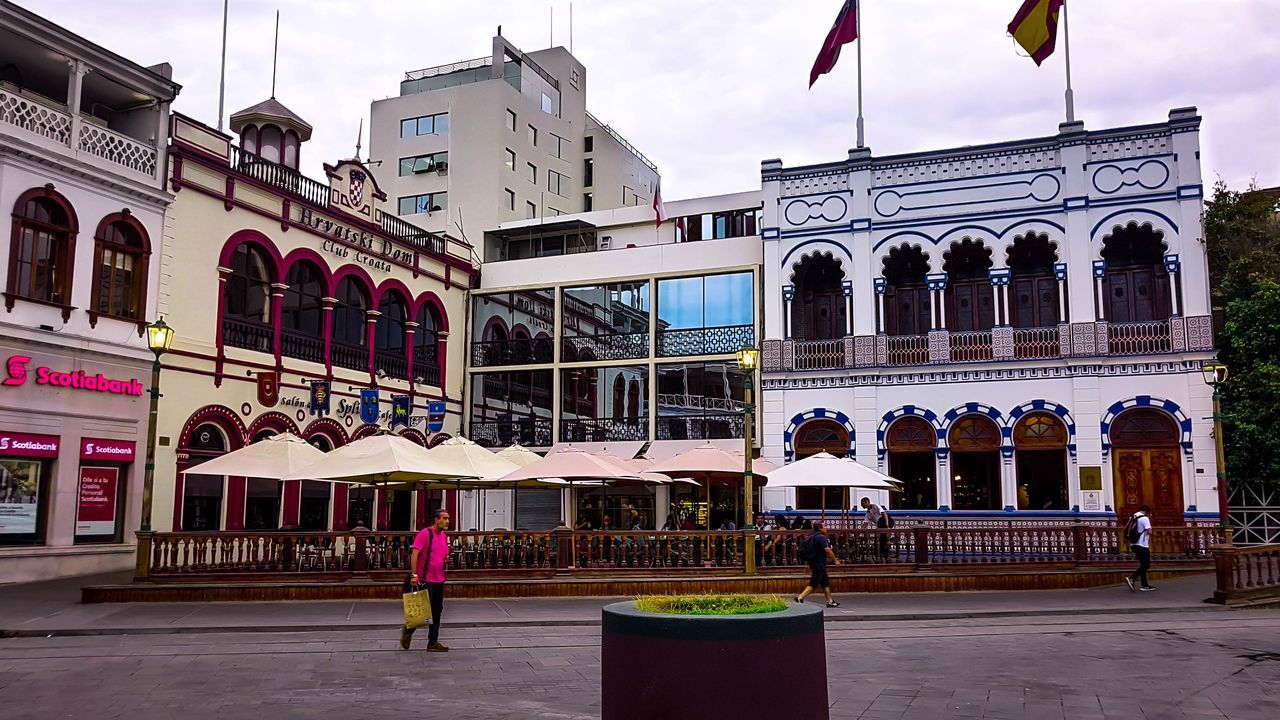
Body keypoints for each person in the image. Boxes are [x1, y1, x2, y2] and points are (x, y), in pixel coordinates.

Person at [401, 508, 450, 652]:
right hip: (425, 579)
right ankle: (408, 631)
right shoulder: (425, 534)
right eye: (444, 518)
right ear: (436, 519)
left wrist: (446, 560)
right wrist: (414, 575)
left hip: (439, 579)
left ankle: (432, 642)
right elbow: (415, 554)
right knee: (422, 612)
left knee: (437, 611)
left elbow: (441, 554)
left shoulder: (443, 536)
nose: (447, 521)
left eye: (448, 518)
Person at [795, 521, 839, 608]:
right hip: (819, 564)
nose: (826, 528)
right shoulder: (821, 537)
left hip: (816, 563)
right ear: (820, 528)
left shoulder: (811, 537)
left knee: (825, 583)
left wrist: (807, 563)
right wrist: (835, 560)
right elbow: (827, 549)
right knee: (813, 583)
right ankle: (800, 597)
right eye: (824, 526)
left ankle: (830, 601)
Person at [1126, 505, 1156, 592]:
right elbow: (1149, 531)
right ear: (1147, 512)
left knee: (1143, 565)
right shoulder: (1144, 518)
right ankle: (1132, 578)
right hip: (1142, 545)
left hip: (1134, 544)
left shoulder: (1134, 516)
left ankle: (1144, 585)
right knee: (1146, 565)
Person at [860, 496, 891, 561]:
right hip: (879, 526)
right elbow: (865, 523)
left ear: (867, 502)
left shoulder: (876, 506)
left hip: (884, 523)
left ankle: (885, 555)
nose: (862, 505)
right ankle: (881, 554)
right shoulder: (868, 513)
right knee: (879, 540)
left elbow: (884, 514)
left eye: (862, 504)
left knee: (883, 540)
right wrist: (859, 530)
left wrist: (887, 525)